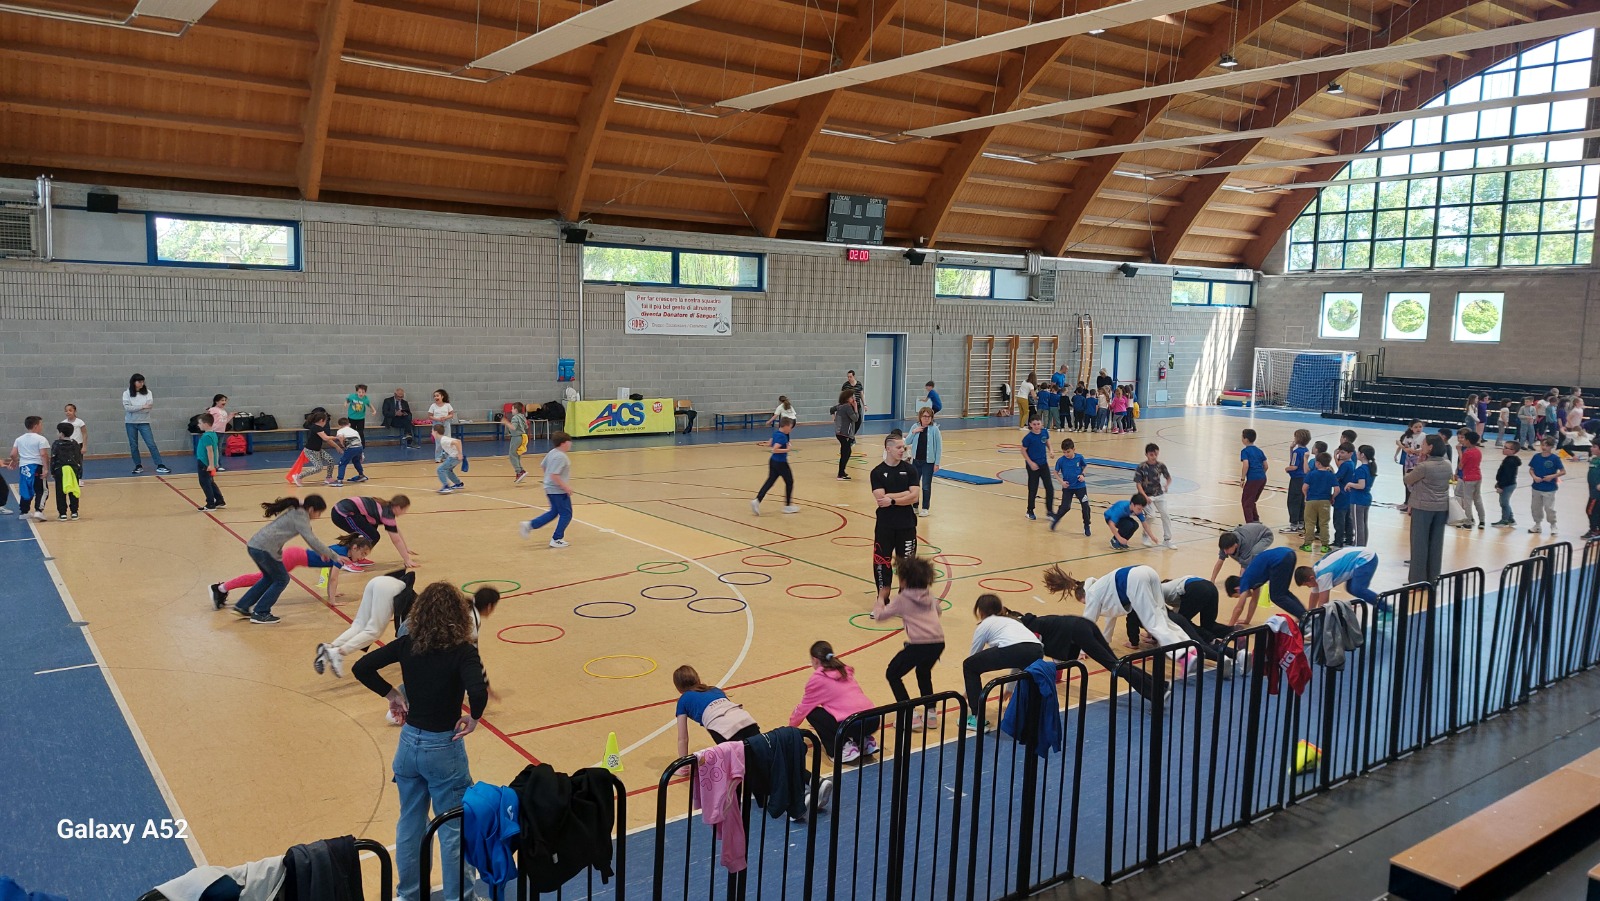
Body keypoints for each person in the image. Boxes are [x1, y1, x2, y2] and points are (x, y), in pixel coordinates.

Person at [352, 581, 489, 901]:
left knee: (410, 823)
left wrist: (392, 694)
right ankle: (460, 897)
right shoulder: (463, 651)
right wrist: (474, 718)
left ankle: (409, 895)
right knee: (453, 828)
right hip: (443, 750)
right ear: (459, 615)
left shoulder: (407, 644)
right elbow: (478, 691)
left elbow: (362, 667)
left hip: (408, 747)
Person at [231, 496, 349, 624]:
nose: (318, 516)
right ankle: (261, 612)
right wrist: (334, 556)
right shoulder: (301, 518)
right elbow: (312, 540)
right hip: (264, 549)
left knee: (269, 578)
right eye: (318, 512)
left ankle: (242, 606)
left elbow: (311, 535)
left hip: (255, 546)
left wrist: (322, 552)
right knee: (282, 579)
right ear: (311, 509)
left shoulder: (297, 509)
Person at [1016, 608, 1165, 702]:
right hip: (1083, 624)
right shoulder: (1038, 621)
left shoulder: (1032, 630)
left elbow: (1033, 654)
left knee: (1115, 667)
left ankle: (1156, 695)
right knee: (1117, 663)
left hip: (1078, 632)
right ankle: (1162, 686)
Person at [871, 556, 945, 730]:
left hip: (919, 645)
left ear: (904, 580)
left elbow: (879, 616)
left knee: (892, 674)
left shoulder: (902, 598)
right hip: (938, 643)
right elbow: (939, 611)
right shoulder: (928, 594)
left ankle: (909, 715)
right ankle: (931, 714)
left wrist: (881, 598)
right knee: (923, 672)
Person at [211, 532, 371, 608]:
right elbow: (334, 578)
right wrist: (332, 601)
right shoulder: (341, 555)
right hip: (292, 557)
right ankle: (220, 588)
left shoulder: (344, 551)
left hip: (294, 555)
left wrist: (332, 593)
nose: (362, 557)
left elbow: (329, 573)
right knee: (259, 578)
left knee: (260, 578)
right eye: (363, 553)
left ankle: (222, 588)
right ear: (354, 548)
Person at [789, 641, 880, 762]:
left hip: (852, 724)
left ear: (815, 660)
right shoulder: (844, 670)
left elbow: (803, 709)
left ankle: (842, 748)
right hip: (874, 719)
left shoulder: (818, 679)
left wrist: (790, 730)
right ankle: (865, 741)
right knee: (850, 708)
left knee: (812, 713)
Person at [964, 594, 1044, 731]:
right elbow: (1020, 655)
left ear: (980, 611)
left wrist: (969, 691)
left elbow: (973, 658)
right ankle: (1031, 720)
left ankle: (978, 719)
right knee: (1031, 684)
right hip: (1037, 649)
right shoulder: (1011, 621)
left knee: (969, 666)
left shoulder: (985, 625)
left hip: (1015, 649)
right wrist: (1010, 688)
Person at [316, 570, 417, 677]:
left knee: (359, 626)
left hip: (377, 581)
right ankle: (338, 652)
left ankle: (329, 647)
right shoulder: (415, 609)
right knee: (374, 631)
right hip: (388, 589)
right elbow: (400, 628)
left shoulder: (414, 598)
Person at [870, 435, 921, 605]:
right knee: (881, 563)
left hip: (907, 525)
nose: (902, 450)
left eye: (903, 447)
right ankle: (882, 600)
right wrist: (904, 494)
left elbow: (914, 497)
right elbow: (880, 499)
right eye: (899, 447)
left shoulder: (910, 470)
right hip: (885, 527)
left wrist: (892, 500)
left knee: (907, 566)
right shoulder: (877, 472)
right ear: (888, 448)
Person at [673, 664, 758, 757]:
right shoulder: (714, 689)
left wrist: (683, 762)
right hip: (748, 722)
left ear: (678, 688)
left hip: (726, 731)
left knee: (740, 762)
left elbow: (683, 738)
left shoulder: (683, 700)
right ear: (697, 679)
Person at [1405, 436, 1453, 584]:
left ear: (1430, 447)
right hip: (1441, 507)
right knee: (1436, 543)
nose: (1422, 446)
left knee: (1419, 543)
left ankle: (1417, 579)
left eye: (1424, 444)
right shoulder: (1448, 464)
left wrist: (1419, 463)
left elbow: (1408, 479)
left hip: (1423, 507)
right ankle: (1433, 577)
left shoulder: (1424, 466)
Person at [519, 430, 573, 548]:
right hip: (558, 491)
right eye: (569, 442)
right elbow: (554, 475)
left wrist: (547, 479)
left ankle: (529, 525)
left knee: (554, 512)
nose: (570, 444)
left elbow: (543, 466)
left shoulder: (552, 452)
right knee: (566, 514)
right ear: (563, 443)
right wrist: (565, 487)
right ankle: (557, 538)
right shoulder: (561, 457)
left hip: (549, 488)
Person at [1225, 545, 1303, 625]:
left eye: (1237, 596)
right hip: (1289, 553)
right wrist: (1247, 620)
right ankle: (1304, 614)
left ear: (1237, 589)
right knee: (1283, 593)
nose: (1241, 596)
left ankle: (1303, 616)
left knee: (1277, 597)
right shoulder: (1252, 580)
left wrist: (1230, 626)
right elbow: (1254, 601)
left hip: (1280, 559)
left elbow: (1239, 608)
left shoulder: (1244, 581)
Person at [332, 495, 416, 567]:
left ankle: (357, 556)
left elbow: (395, 530)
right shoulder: (387, 514)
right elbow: (396, 540)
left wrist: (405, 548)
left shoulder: (387, 506)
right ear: (398, 508)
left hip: (342, 510)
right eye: (404, 510)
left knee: (370, 532)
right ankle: (349, 560)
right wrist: (407, 560)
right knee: (372, 536)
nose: (405, 512)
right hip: (342, 514)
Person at [1295, 546, 1383, 611]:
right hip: (1360, 556)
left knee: (1357, 589)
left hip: (1366, 558)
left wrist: (1317, 619)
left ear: (1311, 578)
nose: (1309, 587)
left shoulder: (1323, 575)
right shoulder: (1315, 571)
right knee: (1350, 588)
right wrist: (1309, 613)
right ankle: (1380, 605)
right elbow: (1314, 594)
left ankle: (1385, 608)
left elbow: (1323, 603)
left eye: (1307, 585)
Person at [122, 373, 169, 474]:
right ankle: (138, 465)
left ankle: (160, 464)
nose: (142, 384)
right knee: (133, 445)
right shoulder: (126, 393)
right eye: (139, 382)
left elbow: (148, 408)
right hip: (130, 422)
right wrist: (142, 406)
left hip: (144, 422)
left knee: (151, 444)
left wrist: (137, 408)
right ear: (134, 382)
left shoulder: (148, 393)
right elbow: (127, 408)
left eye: (143, 382)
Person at [752, 417, 799, 516]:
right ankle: (787, 506)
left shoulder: (776, 433)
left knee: (770, 481)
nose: (790, 429)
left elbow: (770, 443)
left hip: (773, 461)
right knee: (789, 482)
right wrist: (787, 449)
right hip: (781, 463)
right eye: (790, 427)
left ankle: (757, 500)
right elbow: (775, 449)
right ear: (785, 426)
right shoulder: (782, 437)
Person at [1134, 443, 1176, 549]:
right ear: (1146, 454)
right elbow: (1138, 484)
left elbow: (1168, 478)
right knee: (1151, 516)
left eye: (1156, 454)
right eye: (1151, 455)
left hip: (1159, 495)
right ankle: (1145, 535)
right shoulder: (1141, 467)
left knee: (1165, 515)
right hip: (1146, 496)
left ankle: (1167, 540)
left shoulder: (1161, 465)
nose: (1154, 457)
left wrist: (1166, 485)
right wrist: (1145, 497)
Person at [9, 416, 51, 522]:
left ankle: (24, 512)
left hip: (24, 467)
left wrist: (15, 461)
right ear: (36, 426)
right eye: (41, 424)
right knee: (41, 489)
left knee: (25, 488)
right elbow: (43, 454)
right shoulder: (41, 439)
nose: (42, 426)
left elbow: (13, 454)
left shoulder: (19, 439)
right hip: (36, 466)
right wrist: (46, 469)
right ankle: (38, 510)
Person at [1050, 438, 1092, 535]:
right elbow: (1055, 472)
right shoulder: (1061, 460)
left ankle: (1087, 525)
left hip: (1080, 486)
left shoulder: (1079, 458)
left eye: (1068, 452)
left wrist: (1083, 475)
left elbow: (1085, 466)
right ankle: (1056, 518)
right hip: (1068, 487)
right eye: (1064, 452)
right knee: (1065, 507)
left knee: (1085, 506)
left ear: (1073, 449)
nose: (1066, 454)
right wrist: (1062, 482)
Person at [906, 408, 942, 517]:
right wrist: (914, 432)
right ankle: (915, 506)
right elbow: (907, 441)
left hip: (928, 463)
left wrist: (937, 463)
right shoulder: (915, 426)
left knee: (926, 486)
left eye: (929, 417)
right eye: (924, 416)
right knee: (914, 484)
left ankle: (925, 508)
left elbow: (938, 447)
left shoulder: (934, 429)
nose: (926, 418)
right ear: (920, 417)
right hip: (916, 461)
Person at [1527, 437, 1565, 536]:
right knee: (1535, 507)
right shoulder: (1536, 457)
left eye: (1547, 445)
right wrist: (1534, 477)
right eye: (1542, 445)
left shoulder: (1555, 458)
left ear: (1551, 447)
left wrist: (1552, 476)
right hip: (1536, 487)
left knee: (1549, 508)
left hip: (1549, 488)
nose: (1544, 447)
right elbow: (1531, 469)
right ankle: (1537, 525)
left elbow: (1563, 471)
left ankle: (1553, 525)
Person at [293, 412, 343, 487]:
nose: (326, 423)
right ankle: (298, 476)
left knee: (330, 460)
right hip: (310, 451)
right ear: (321, 420)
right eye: (325, 421)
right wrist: (337, 437)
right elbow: (325, 438)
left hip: (318, 450)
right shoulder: (316, 427)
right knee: (318, 467)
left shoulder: (319, 428)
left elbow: (327, 439)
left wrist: (337, 446)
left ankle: (329, 478)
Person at [1302, 452, 1337, 554]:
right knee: (1324, 523)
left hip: (1311, 500)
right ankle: (1325, 545)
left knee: (1309, 523)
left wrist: (1306, 496)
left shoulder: (1311, 474)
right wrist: (1332, 497)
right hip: (1325, 501)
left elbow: (1304, 487)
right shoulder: (1330, 475)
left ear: (1317, 463)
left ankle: (1307, 544)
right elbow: (1337, 489)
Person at [49, 421, 83, 521]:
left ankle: (62, 513)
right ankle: (74, 512)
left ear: (61, 433)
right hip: (73, 469)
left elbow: (53, 458)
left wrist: (52, 471)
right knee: (73, 490)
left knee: (60, 491)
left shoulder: (56, 444)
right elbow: (78, 458)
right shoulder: (75, 443)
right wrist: (79, 471)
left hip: (60, 469)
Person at [1021, 417, 1053, 521]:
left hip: (1043, 464)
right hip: (1033, 466)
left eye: (1038, 424)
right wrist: (1030, 463)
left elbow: (1047, 441)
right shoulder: (1028, 438)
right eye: (1034, 424)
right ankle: (1030, 510)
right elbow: (1023, 450)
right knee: (1033, 488)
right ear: (1030, 425)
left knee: (1049, 487)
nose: (1036, 426)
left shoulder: (1044, 432)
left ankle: (1049, 511)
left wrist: (1051, 450)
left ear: (1041, 423)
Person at [194, 413, 225, 513]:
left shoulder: (206, 436)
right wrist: (216, 462)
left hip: (204, 463)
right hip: (209, 463)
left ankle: (210, 504)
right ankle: (219, 500)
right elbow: (216, 450)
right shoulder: (213, 434)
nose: (198, 425)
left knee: (205, 483)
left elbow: (210, 451)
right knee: (210, 482)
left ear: (206, 424)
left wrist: (211, 465)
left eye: (200, 423)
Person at [1455, 430, 1485, 530]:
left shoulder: (1467, 452)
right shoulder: (1478, 451)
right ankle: (1482, 521)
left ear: (1468, 441)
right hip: (1478, 476)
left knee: (1467, 500)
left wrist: (1459, 451)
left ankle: (1468, 521)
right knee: (1478, 499)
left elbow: (1461, 465)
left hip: (1468, 478)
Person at [1283, 429, 1311, 535]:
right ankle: (1300, 523)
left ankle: (1293, 525)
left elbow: (1293, 466)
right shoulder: (1306, 450)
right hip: (1304, 479)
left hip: (1296, 479)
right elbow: (1294, 461)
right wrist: (1291, 449)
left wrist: (1287, 469)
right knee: (1300, 501)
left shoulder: (1297, 452)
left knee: (1293, 501)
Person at [1396, 420, 1427, 512]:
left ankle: (1414, 504)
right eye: (1416, 427)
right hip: (1408, 461)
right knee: (1407, 481)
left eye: (1420, 427)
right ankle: (1407, 502)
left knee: (1416, 483)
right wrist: (1403, 448)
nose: (1418, 429)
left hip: (1419, 461)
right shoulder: (1407, 437)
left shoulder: (1424, 436)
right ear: (1411, 428)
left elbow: (1424, 449)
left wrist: (1415, 451)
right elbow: (1405, 448)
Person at [831, 389, 861, 481]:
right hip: (845, 434)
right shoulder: (847, 407)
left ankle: (842, 471)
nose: (854, 399)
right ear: (847, 398)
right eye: (852, 397)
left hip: (840, 433)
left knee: (847, 451)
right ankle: (840, 474)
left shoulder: (840, 406)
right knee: (845, 453)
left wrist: (834, 418)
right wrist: (856, 408)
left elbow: (832, 409)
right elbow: (855, 418)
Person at [1490, 440, 1522, 528]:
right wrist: (1498, 483)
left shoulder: (1510, 462)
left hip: (1507, 485)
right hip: (1507, 484)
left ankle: (1504, 520)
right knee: (1504, 502)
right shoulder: (1508, 459)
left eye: (1506, 448)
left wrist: (1501, 486)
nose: (1503, 449)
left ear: (1513, 451)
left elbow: (1507, 475)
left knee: (1504, 503)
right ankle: (1510, 519)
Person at [1332, 444, 1357, 548]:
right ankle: (1349, 539)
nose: (1340, 455)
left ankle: (1338, 541)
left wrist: (1329, 474)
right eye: (1339, 452)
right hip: (1348, 496)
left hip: (1342, 495)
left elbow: (1337, 477)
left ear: (1350, 454)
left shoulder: (1345, 465)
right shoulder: (1351, 463)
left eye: (1343, 453)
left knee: (1339, 519)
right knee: (1347, 519)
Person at [1350, 446, 1375, 547]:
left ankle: (1358, 546)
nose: (1356, 453)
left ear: (1362, 455)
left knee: (1357, 525)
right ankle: (1362, 545)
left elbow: (1361, 485)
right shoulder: (1370, 467)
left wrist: (1350, 484)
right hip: (1366, 498)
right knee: (1363, 524)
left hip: (1358, 499)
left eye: (1358, 452)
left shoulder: (1361, 470)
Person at [433, 423, 464, 494]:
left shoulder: (444, 440)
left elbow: (458, 442)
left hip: (454, 457)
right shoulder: (444, 439)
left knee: (440, 469)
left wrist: (460, 453)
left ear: (435, 432)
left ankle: (446, 487)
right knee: (448, 470)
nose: (431, 433)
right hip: (454, 457)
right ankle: (458, 483)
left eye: (432, 431)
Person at [335, 417, 367, 485]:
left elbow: (340, 437)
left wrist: (343, 445)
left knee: (342, 463)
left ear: (339, 425)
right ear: (349, 424)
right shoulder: (355, 431)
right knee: (356, 460)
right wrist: (362, 453)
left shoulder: (340, 431)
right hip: (359, 447)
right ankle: (361, 475)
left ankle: (339, 480)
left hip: (351, 448)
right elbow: (360, 441)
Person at [506, 402, 529, 484]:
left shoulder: (515, 418)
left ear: (515, 410)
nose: (511, 410)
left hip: (516, 437)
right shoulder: (522, 416)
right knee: (517, 455)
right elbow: (526, 426)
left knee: (512, 455)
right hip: (523, 437)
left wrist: (506, 423)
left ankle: (519, 471)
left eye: (512, 409)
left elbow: (513, 427)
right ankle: (521, 470)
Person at [1584, 438, 1600, 541]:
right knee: (1595, 511)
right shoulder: (1594, 459)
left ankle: (1594, 530)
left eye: (1594, 447)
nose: (1591, 448)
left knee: (1590, 510)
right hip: (1592, 491)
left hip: (1596, 493)